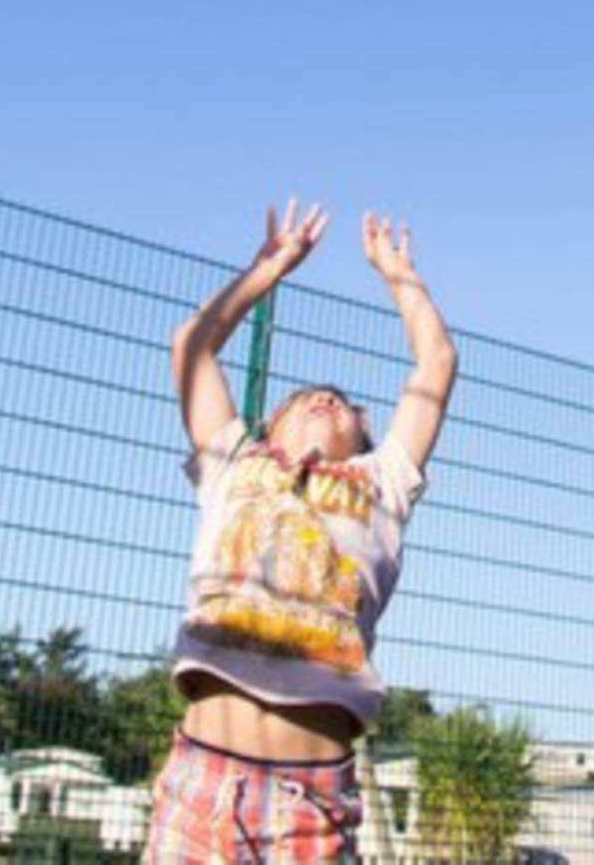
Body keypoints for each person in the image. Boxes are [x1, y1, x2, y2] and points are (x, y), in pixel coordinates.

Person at [145, 201, 457, 863]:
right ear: (271, 421)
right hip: (197, 780)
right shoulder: (233, 463)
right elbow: (190, 346)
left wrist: (400, 277)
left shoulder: (383, 484)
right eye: (305, 395)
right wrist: (267, 267)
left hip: (308, 800)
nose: (324, 398)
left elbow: (436, 361)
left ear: (364, 434)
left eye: (340, 401)